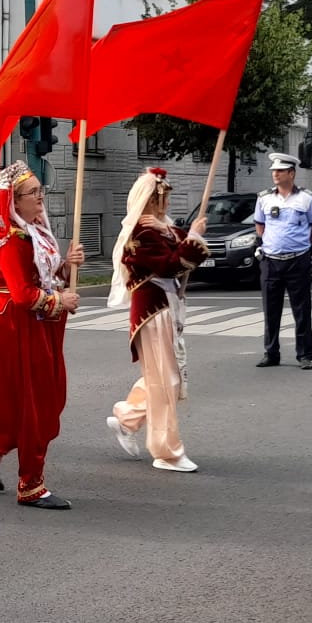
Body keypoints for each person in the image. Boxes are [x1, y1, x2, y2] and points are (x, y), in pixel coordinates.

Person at [0, 161, 83, 508]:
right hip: (17, 327)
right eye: (33, 193)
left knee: (41, 399)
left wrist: (67, 264)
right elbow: (23, 294)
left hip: (30, 326)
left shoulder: (32, 231)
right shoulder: (12, 239)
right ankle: (31, 485)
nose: (41, 198)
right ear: (14, 201)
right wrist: (59, 300)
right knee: (36, 403)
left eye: (40, 190)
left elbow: (42, 277)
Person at [106, 167, 207, 473]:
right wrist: (194, 238)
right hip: (154, 312)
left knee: (164, 378)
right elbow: (169, 265)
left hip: (165, 308)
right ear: (148, 200)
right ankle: (166, 451)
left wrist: (175, 233)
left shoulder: (158, 228)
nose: (163, 204)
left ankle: (127, 417)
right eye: (159, 198)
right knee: (166, 381)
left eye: (164, 197)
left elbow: (174, 242)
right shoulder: (140, 232)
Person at [253, 154, 312, 369]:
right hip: (271, 261)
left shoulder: (307, 198)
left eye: (280, 171)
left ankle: (305, 355)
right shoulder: (264, 198)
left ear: (291, 173)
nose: (275, 174)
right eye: (274, 171)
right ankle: (271, 353)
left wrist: (299, 246)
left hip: (297, 261)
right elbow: (260, 227)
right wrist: (274, 244)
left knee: (301, 309)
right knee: (270, 309)